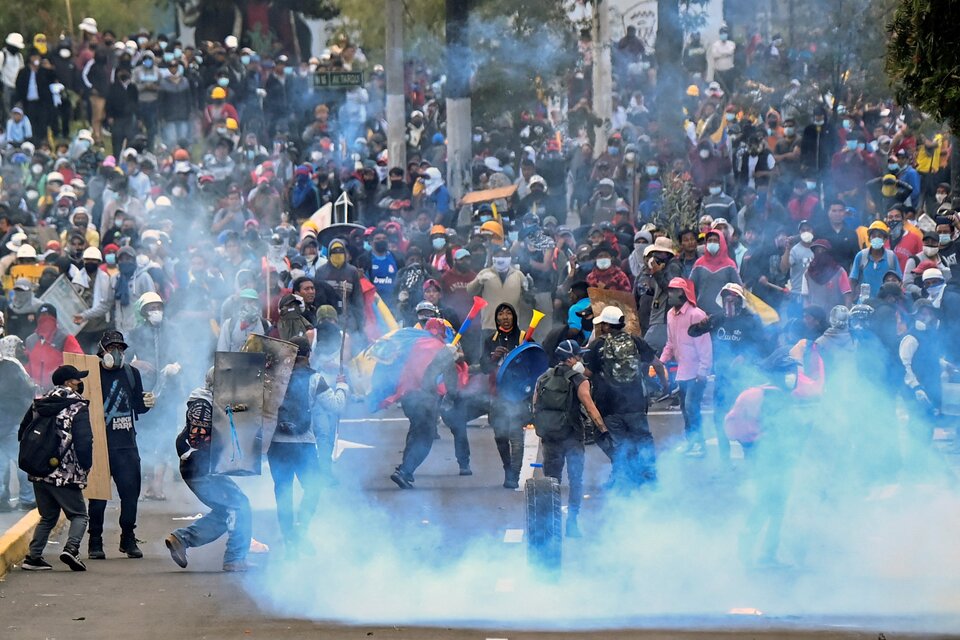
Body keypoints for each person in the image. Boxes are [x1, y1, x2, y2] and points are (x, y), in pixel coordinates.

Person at [725, 347, 809, 568]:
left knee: (777, 506)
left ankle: (765, 554)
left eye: (793, 371)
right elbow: (732, 425)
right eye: (787, 371)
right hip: (767, 458)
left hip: (779, 458)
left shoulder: (773, 395)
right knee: (767, 503)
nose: (792, 376)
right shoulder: (757, 395)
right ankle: (751, 552)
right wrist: (754, 442)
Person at [165, 368, 252, 572]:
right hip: (200, 467)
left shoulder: (211, 402)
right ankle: (235, 558)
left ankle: (181, 539)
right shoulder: (202, 405)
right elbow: (199, 439)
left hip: (203, 466)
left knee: (226, 510)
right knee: (239, 505)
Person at [268, 337, 348, 556]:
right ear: (308, 354)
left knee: (283, 493)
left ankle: (289, 542)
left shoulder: (274, 378)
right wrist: (342, 386)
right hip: (303, 444)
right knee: (313, 488)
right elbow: (336, 406)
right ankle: (301, 530)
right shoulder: (315, 379)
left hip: (277, 445)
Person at [87, 330, 154, 561]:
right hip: (99, 444)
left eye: (121, 348)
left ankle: (128, 537)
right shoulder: (91, 375)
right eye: (112, 347)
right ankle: (95, 540)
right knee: (98, 496)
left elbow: (138, 406)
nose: (116, 352)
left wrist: (147, 402)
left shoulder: (132, 373)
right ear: (102, 351)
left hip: (126, 444)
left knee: (130, 493)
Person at [19, 365, 92, 572]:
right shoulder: (77, 406)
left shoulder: (40, 403)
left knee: (48, 515)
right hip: (65, 473)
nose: (80, 382)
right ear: (69, 382)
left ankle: (33, 557)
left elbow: (22, 432)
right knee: (79, 514)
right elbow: (84, 441)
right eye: (77, 379)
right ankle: (72, 549)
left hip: (38, 470)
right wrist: (86, 466)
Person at [584, 306, 667, 488]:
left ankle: (621, 478)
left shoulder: (597, 345)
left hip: (609, 405)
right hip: (636, 403)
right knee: (643, 439)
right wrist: (665, 386)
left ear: (607, 326)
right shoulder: (636, 341)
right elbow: (658, 365)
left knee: (617, 443)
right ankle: (649, 476)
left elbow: (587, 373)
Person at [534, 339, 606, 537]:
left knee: (551, 481)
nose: (581, 359)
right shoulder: (579, 379)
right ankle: (572, 523)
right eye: (579, 355)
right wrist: (603, 429)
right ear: (571, 358)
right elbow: (590, 407)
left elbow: (535, 406)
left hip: (550, 437)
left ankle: (551, 524)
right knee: (575, 480)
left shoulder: (543, 378)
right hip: (572, 436)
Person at [389, 319, 463, 489]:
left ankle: (405, 468)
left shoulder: (412, 344)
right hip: (426, 399)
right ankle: (405, 471)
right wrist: (450, 398)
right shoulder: (442, 350)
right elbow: (451, 380)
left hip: (407, 396)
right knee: (425, 437)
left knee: (415, 430)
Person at [660, 277, 713, 457]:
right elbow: (670, 343)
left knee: (691, 407)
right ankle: (692, 442)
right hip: (682, 371)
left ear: (682, 293)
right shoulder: (670, 315)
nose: (669, 294)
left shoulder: (696, 315)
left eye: (673, 291)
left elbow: (705, 346)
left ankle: (700, 444)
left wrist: (703, 371)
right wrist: (661, 361)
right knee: (685, 408)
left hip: (696, 372)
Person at [0, 335, 35, 512]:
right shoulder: (12, 366)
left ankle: (1, 499)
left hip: (7, 421)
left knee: (2, 463)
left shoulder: (12, 365)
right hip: (13, 420)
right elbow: (28, 388)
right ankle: (28, 498)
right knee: (21, 460)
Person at [24, 303, 83, 388]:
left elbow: (78, 360)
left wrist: (60, 371)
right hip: (35, 390)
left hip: (60, 389)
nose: (45, 322)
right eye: (42, 318)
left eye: (48, 317)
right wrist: (28, 380)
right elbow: (27, 364)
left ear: (55, 319)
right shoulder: (30, 341)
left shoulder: (65, 338)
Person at [690, 229, 742, 317]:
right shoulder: (698, 264)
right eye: (709, 241)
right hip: (701, 313)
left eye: (715, 241)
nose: (712, 243)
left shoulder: (730, 265)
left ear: (721, 242)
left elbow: (738, 289)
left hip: (723, 314)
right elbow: (691, 287)